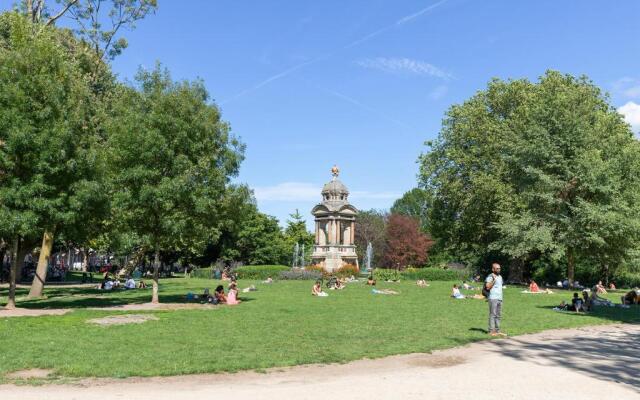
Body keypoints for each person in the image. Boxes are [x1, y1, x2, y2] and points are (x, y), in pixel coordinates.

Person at [485, 263, 506, 337]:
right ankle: (491, 330)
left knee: (498, 315)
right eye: (497, 268)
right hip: (493, 298)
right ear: (493, 269)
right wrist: (493, 280)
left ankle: (497, 330)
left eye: (499, 268)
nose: (499, 270)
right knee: (492, 314)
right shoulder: (490, 276)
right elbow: (487, 287)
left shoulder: (500, 277)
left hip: (500, 298)